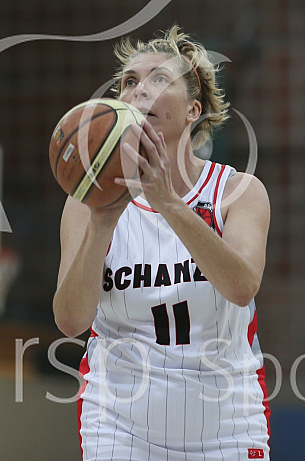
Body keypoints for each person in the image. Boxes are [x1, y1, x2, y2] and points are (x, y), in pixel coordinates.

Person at [53, 25, 271, 460]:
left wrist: (170, 204)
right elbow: (70, 321)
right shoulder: (86, 203)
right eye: (129, 82)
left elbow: (242, 286)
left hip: (227, 422)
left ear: (193, 110)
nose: (139, 90)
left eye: (158, 79)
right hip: (118, 423)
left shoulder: (237, 192)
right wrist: (101, 224)